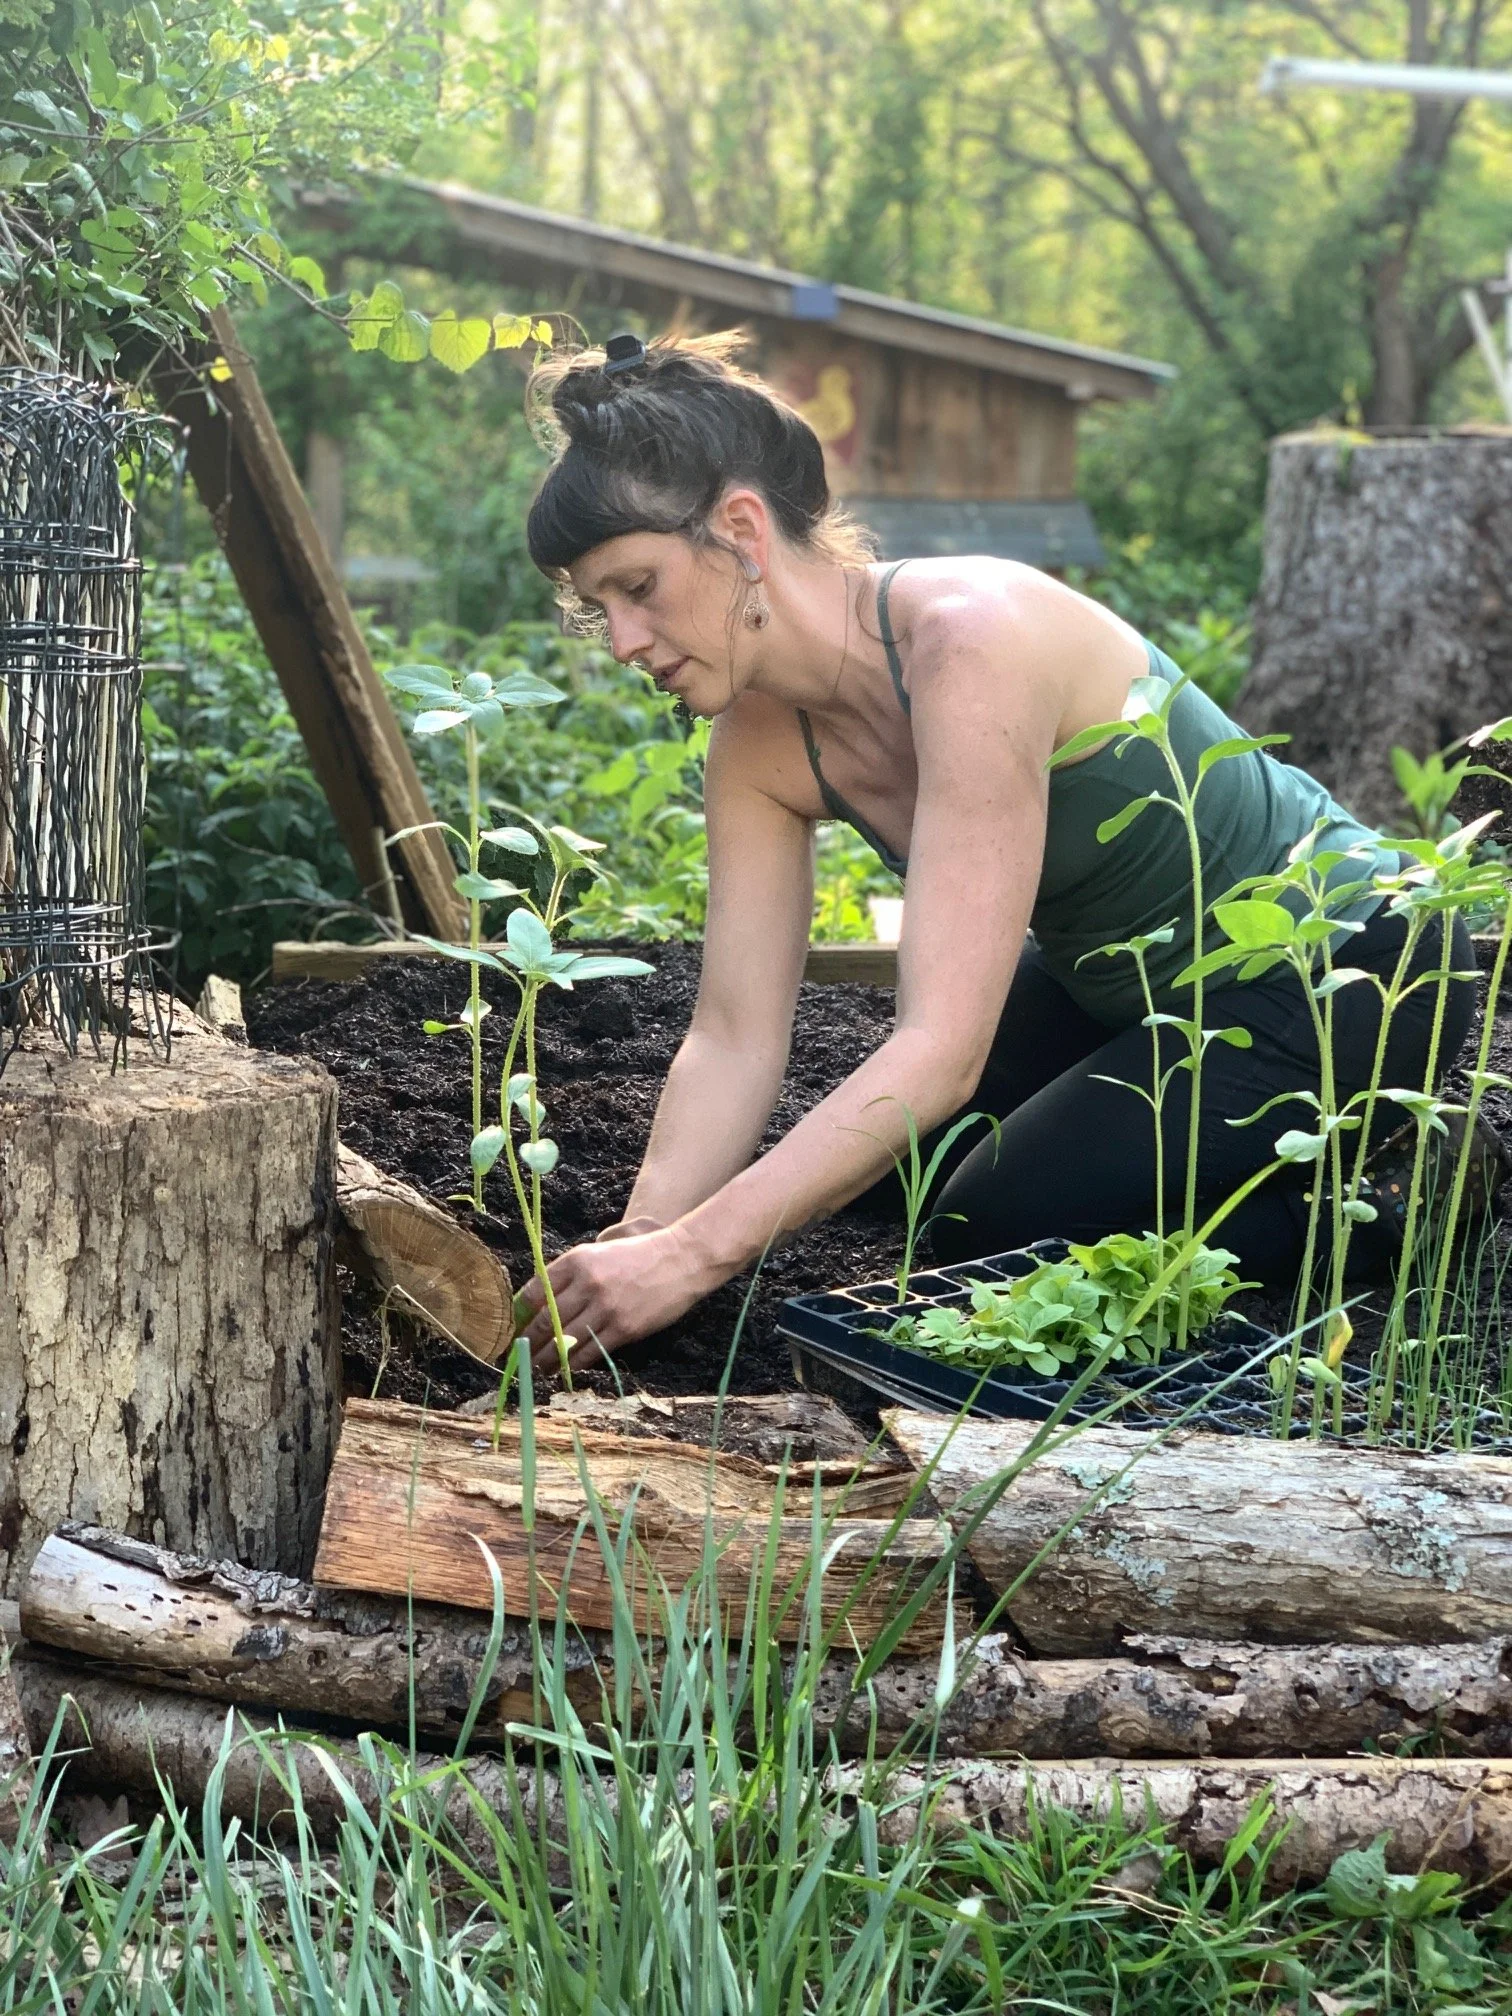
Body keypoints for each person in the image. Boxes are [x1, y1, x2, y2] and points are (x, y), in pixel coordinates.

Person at [514, 330, 1474, 1374]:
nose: (623, 642)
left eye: (639, 587)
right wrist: (646, 1238)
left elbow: (942, 1048)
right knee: (889, 1171)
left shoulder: (970, 641)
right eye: (597, 608)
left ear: (741, 529)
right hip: (1129, 986)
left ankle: (1402, 1200)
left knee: (987, 1218)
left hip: (1343, 962)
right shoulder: (754, 744)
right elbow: (734, 1033)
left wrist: (697, 1259)